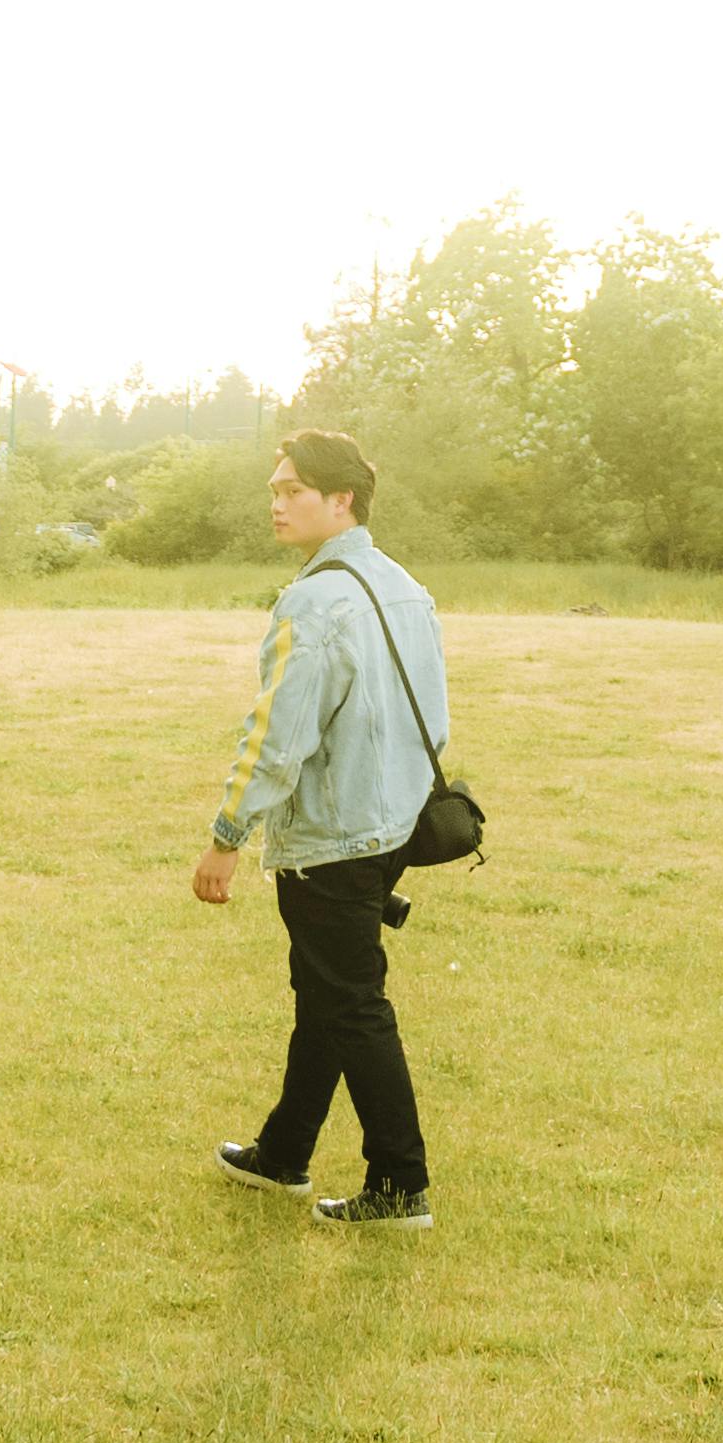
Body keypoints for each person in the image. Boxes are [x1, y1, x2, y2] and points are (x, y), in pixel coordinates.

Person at [189, 425, 450, 1230]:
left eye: (292, 491)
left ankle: (400, 1185)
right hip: (392, 827)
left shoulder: (313, 601)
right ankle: (283, 1154)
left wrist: (226, 837)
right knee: (328, 994)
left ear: (341, 500)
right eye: (275, 490)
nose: (276, 503)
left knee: (352, 1003)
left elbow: (277, 741)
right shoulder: (404, 586)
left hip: (334, 839)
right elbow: (435, 720)